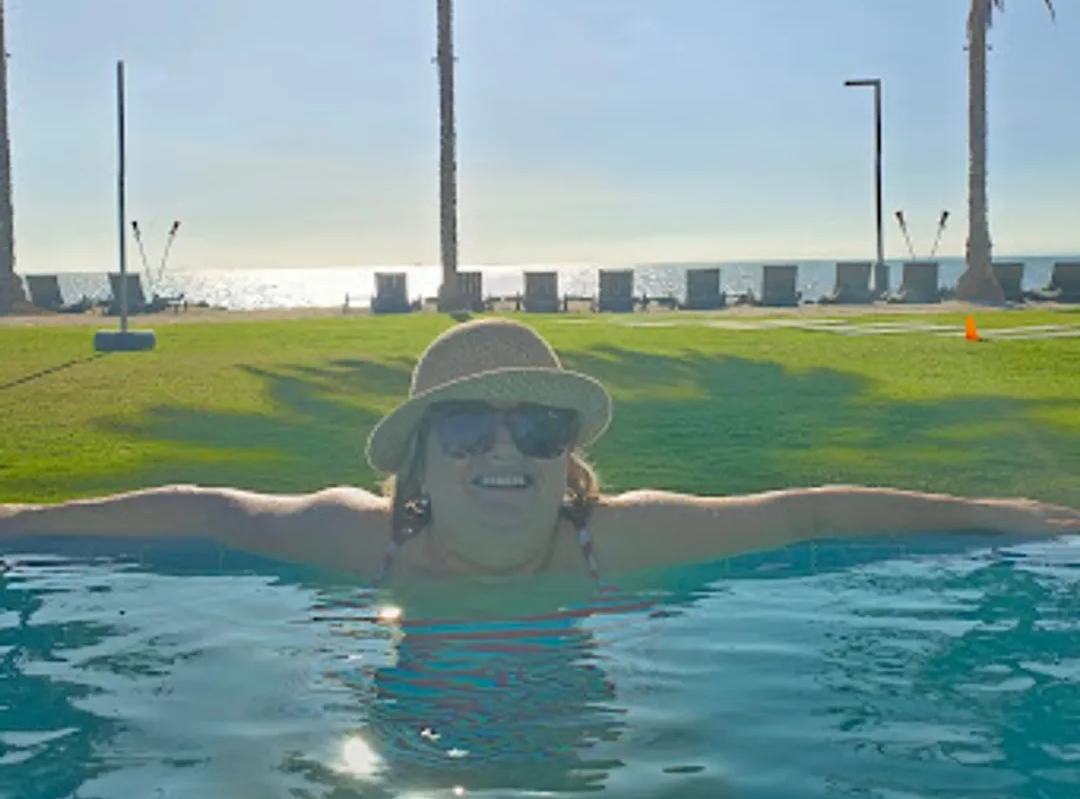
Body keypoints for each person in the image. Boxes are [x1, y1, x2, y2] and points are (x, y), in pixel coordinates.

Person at [1, 320, 1077, 583]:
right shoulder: (360, 541)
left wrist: (994, 517)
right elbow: (209, 512)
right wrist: (22, 525)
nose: (504, 450)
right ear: (419, 465)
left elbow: (806, 513)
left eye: (538, 428)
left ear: (570, 459)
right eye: (469, 428)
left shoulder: (621, 539)